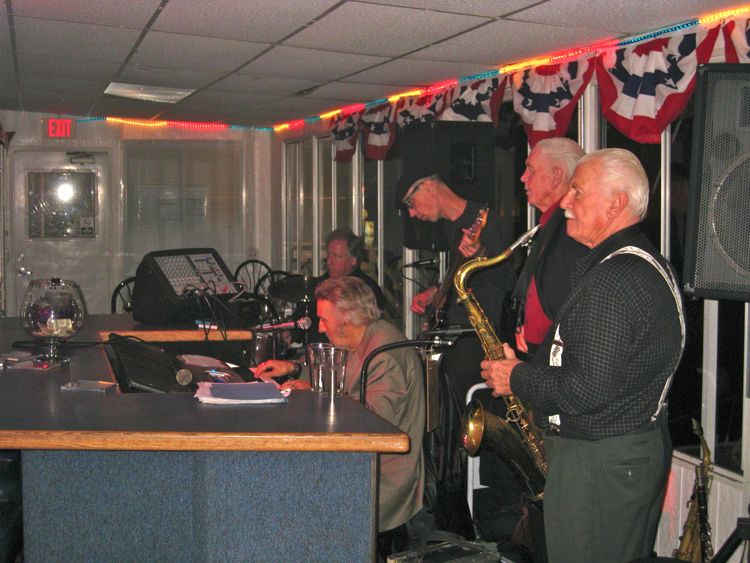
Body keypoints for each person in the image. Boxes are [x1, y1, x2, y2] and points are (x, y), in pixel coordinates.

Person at [480, 148, 686, 563]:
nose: (566, 203)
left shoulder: (614, 280)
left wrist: (516, 377)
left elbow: (584, 389)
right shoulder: (640, 264)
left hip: (598, 460)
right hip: (617, 453)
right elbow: (603, 369)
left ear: (616, 203)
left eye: (577, 191)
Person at [256, 276, 425, 557]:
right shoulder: (364, 338)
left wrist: (312, 399)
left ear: (347, 318)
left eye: (324, 319)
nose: (320, 327)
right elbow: (337, 374)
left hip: (385, 477)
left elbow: (373, 424)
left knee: (292, 489)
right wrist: (294, 369)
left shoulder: (384, 355)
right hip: (363, 463)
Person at [404, 174, 515, 401]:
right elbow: (461, 275)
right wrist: (436, 290)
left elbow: (508, 277)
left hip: (477, 341)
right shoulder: (451, 227)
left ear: (428, 187)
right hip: (457, 338)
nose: (411, 213)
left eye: (410, 203)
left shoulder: (487, 221)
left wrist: (481, 254)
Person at [512, 137, 588, 360]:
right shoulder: (553, 224)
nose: (523, 177)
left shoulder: (572, 227)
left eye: (530, 170)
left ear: (556, 177)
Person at [304, 228, 386, 343]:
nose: (329, 262)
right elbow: (307, 315)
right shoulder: (322, 284)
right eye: (329, 255)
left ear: (353, 260)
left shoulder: (366, 289)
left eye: (337, 256)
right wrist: (292, 334)